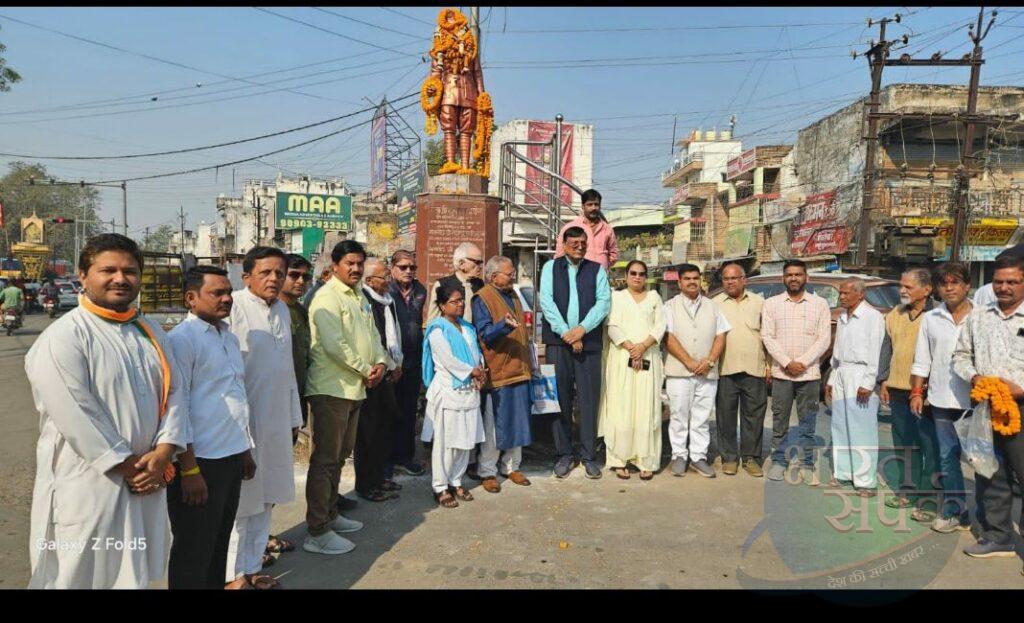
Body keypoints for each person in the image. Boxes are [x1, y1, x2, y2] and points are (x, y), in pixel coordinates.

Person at [26, 234, 187, 588]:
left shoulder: (149, 331)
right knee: (78, 574)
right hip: (90, 485)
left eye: (130, 271)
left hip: (146, 481)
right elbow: (75, 414)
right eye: (108, 270)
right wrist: (131, 467)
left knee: (137, 571)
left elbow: (175, 393)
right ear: (83, 275)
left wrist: (164, 452)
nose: (120, 278)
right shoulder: (64, 337)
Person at [167, 266, 257, 590]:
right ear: (191, 298)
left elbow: (235, 396)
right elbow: (177, 408)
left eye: (228, 292)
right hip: (200, 462)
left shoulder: (228, 337)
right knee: (193, 550)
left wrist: (244, 450)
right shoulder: (181, 340)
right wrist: (189, 470)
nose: (226, 298)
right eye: (216, 293)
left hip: (230, 455)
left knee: (218, 543)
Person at [226, 246, 304, 589]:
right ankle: (232, 575)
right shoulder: (234, 308)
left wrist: (293, 417)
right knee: (242, 502)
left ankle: (253, 565)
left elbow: (286, 369)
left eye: (279, 273)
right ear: (247, 277)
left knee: (267, 496)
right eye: (266, 273)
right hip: (245, 422)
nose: (274, 279)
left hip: (277, 419)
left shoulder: (283, 311)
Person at [303, 240, 383, 555]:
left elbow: (373, 334)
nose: (356, 268)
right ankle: (317, 530)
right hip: (330, 389)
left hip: (355, 388)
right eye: (350, 263)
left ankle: (331, 513)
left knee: (338, 457)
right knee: (324, 460)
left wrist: (379, 363)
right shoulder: (326, 297)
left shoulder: (358, 295)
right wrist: (366, 368)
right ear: (334, 265)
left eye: (359, 263)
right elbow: (335, 345)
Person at [952, 254, 1024, 561]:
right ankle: (999, 537)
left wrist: (1020, 388)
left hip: (1020, 408)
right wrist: (976, 376)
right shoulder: (979, 316)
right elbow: (960, 355)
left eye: (1012, 282)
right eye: (998, 282)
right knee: (990, 472)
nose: (1004, 287)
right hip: (986, 407)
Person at [539, 226, 611, 479]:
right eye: (574, 242)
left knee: (589, 401)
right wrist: (566, 334)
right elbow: (546, 302)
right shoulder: (550, 268)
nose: (579, 246)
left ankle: (589, 455)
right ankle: (563, 454)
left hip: (588, 344)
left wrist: (581, 330)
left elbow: (604, 303)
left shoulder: (596, 270)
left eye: (583, 242)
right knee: (559, 400)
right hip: (559, 344)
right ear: (564, 243)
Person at [910, 262, 974, 533]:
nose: (949, 288)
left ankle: (990, 517)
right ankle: (954, 510)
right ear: (937, 288)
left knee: (985, 461)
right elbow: (922, 359)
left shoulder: (981, 316)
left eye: (955, 282)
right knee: (948, 457)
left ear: (967, 285)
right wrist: (916, 392)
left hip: (977, 402)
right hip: (941, 401)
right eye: (944, 283)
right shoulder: (932, 319)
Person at [760, 259, 832, 483]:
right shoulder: (771, 304)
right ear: (783, 278)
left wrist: (801, 362)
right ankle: (779, 461)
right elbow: (767, 336)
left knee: (808, 421)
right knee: (779, 420)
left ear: (806, 277)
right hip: (782, 374)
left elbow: (824, 339)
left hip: (809, 374)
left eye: (798, 274)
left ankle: (807, 463)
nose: (793, 278)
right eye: (789, 274)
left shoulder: (819, 304)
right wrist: (786, 362)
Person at [597, 260, 665, 480]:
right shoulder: (616, 298)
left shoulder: (655, 298)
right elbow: (612, 325)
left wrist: (643, 347)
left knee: (647, 407)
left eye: (642, 274)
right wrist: (630, 348)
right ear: (626, 276)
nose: (638, 277)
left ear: (647, 276)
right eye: (633, 273)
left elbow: (660, 326)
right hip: (621, 358)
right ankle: (619, 459)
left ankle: (646, 461)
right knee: (622, 406)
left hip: (649, 356)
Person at [879, 268, 939, 518]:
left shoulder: (938, 315)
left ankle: (928, 501)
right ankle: (907, 491)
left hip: (927, 392)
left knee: (930, 446)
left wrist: (925, 389)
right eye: (901, 286)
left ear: (927, 290)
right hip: (898, 389)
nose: (902, 291)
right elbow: (886, 347)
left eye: (908, 287)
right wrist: (883, 380)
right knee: (904, 443)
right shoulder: (895, 313)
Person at [472, 256, 535, 492]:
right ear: (493, 276)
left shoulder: (513, 294)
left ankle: (511, 467)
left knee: (518, 422)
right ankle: (487, 471)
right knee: (494, 424)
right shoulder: (483, 298)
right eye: (509, 273)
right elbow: (485, 334)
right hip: (499, 370)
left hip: (519, 368)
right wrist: (503, 326)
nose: (513, 276)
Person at [663, 263, 730, 478]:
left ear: (700, 280)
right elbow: (668, 338)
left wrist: (710, 360)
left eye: (695, 278)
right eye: (687, 278)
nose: (692, 282)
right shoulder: (669, 306)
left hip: (707, 371)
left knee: (701, 417)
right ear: (680, 282)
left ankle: (699, 457)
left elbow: (721, 335)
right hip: (679, 371)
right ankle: (679, 456)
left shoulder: (713, 306)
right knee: (679, 415)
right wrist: (689, 362)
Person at [423, 282, 487, 507]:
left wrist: (480, 372)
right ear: (441, 305)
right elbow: (448, 360)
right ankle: (440, 486)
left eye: (462, 301)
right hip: (449, 390)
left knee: (465, 440)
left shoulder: (467, 327)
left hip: (470, 391)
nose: (460, 305)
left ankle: (456, 480)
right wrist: (472, 371)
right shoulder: (437, 329)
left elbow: (476, 354)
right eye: (454, 301)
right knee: (446, 442)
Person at [825, 278, 885, 497]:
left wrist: (869, 382)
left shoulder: (873, 317)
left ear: (860, 294)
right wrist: (832, 379)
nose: (841, 297)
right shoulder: (842, 318)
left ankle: (865, 481)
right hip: (842, 372)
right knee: (840, 425)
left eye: (846, 293)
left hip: (861, 374)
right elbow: (837, 351)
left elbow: (877, 352)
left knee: (862, 428)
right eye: (840, 293)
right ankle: (843, 472)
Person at [711, 263, 770, 477]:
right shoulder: (714, 304)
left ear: (744, 280)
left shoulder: (759, 303)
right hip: (726, 368)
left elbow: (768, 335)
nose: (730, 282)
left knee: (753, 416)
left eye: (734, 278)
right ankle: (729, 458)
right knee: (725, 415)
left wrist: (769, 365)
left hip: (754, 367)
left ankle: (751, 459)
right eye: (726, 279)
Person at [355, 257, 405, 502]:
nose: (387, 281)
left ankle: (379, 477)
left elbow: (393, 334)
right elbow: (370, 339)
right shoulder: (363, 301)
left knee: (384, 429)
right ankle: (366, 484)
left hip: (388, 372)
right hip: (371, 375)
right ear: (368, 280)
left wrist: (396, 364)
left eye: (387, 276)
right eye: (383, 277)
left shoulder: (387, 301)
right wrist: (384, 365)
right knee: (368, 434)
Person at [386, 250, 428, 479]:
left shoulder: (420, 290)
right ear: (393, 268)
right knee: (389, 412)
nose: (408, 271)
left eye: (412, 267)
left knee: (409, 411)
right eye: (403, 267)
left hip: (413, 359)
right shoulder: (386, 290)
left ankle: (405, 457)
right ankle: (387, 459)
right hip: (391, 361)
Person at [281, 254, 313, 428]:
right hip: (277, 397)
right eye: (294, 275)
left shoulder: (301, 311)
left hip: (297, 393)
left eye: (306, 277)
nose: (301, 281)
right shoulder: (272, 310)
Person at [554, 189, 619, 269]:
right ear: (582, 206)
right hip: (576, 275)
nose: (593, 208)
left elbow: (613, 254)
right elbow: (560, 253)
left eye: (596, 204)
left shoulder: (607, 229)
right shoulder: (570, 227)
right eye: (589, 204)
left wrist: (603, 264)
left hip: (600, 276)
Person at [425, 242, 484, 325]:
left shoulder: (480, 285)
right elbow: (433, 321)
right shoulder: (441, 285)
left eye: (481, 262)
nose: (480, 266)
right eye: (476, 262)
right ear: (461, 264)